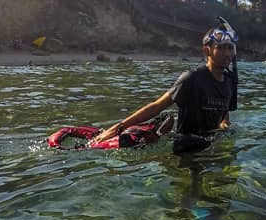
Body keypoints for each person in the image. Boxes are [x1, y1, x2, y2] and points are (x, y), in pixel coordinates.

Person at [93, 18, 239, 150]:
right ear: (207, 50)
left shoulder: (229, 81)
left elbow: (224, 112)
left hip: (212, 144)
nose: (226, 53)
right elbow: (157, 106)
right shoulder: (191, 78)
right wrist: (117, 128)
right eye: (220, 48)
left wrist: (224, 125)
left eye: (229, 47)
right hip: (186, 147)